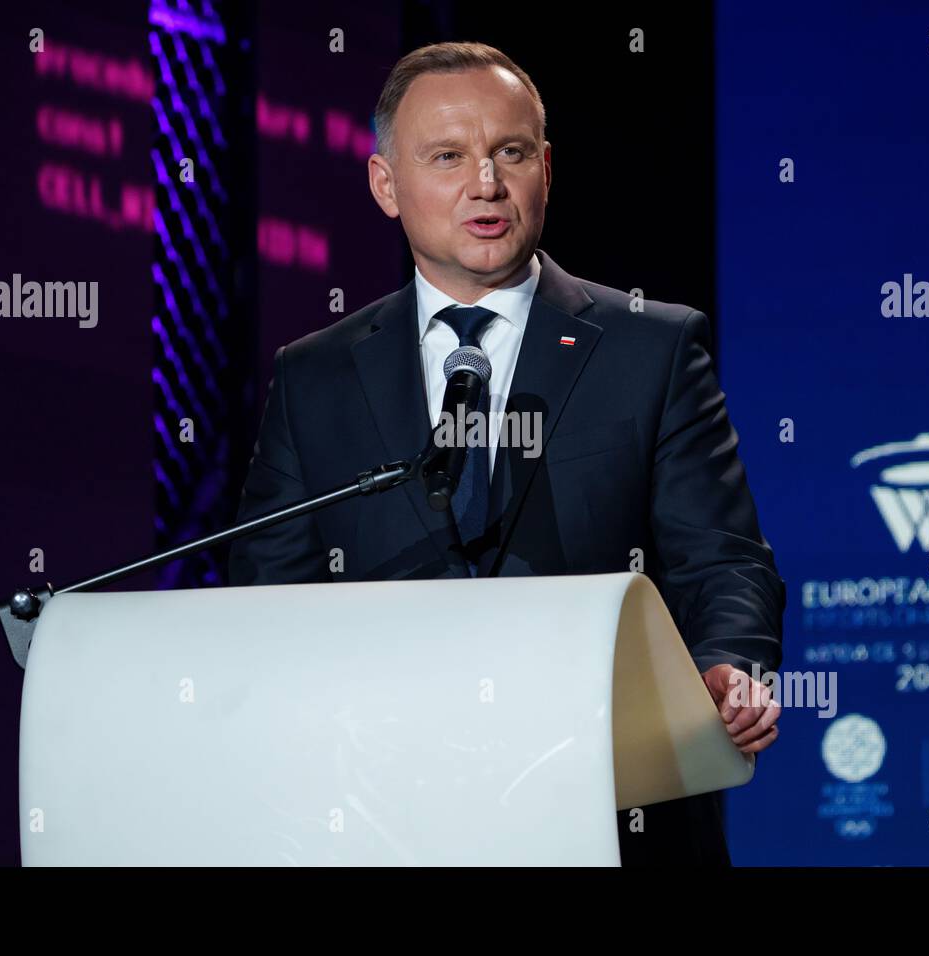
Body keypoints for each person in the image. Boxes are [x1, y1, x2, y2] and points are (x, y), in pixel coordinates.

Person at [229, 41, 784, 865]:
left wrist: (726, 670)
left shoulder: (651, 348)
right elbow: (269, 598)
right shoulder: (315, 376)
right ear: (387, 185)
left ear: (547, 169)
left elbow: (723, 563)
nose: (485, 183)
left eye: (511, 153)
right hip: (390, 819)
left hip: (609, 800)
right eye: (447, 157)